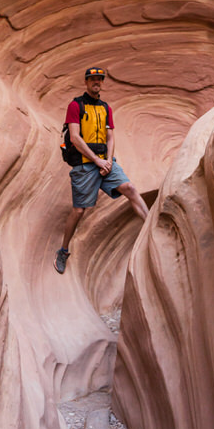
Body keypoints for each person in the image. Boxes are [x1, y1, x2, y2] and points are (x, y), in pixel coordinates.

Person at [54, 67, 150, 274]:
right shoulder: (76, 105)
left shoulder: (106, 108)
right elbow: (74, 138)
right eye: (93, 79)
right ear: (86, 82)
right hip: (84, 164)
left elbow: (110, 137)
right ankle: (63, 250)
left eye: (99, 79)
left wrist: (107, 161)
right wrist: (97, 161)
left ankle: (152, 227)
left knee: (130, 188)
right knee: (79, 210)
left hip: (104, 163)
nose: (96, 82)